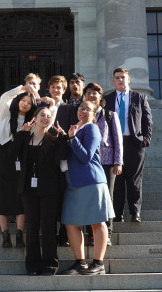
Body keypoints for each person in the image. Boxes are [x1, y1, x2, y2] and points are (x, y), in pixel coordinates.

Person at [60, 99, 115, 275]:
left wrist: (71, 139)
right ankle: (80, 263)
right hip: (73, 183)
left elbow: (85, 156)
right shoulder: (76, 129)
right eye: (81, 108)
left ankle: (98, 263)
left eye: (88, 109)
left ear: (94, 113)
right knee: (70, 223)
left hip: (91, 181)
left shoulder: (92, 128)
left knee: (97, 222)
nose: (83, 111)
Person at [11, 106, 65, 275]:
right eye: (42, 115)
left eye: (48, 116)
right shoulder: (25, 138)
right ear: (34, 117)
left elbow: (62, 159)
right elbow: (12, 153)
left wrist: (63, 137)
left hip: (49, 190)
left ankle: (50, 263)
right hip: (28, 189)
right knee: (32, 228)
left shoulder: (54, 139)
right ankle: (32, 264)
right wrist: (22, 133)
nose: (45, 118)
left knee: (48, 227)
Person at [104, 68, 153, 223]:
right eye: (117, 78)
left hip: (134, 143)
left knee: (134, 179)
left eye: (123, 77)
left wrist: (146, 138)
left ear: (129, 79)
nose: (120, 80)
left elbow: (147, 119)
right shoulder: (108, 99)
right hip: (114, 144)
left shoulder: (139, 97)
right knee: (117, 180)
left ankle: (135, 212)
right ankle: (117, 214)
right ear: (113, 81)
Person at [0, 92, 37, 248]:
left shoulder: (33, 121)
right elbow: (4, 98)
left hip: (22, 161)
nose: (25, 104)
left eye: (29, 103)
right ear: (18, 101)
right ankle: (5, 234)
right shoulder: (6, 115)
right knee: (1, 196)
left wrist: (25, 132)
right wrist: (24, 87)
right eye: (23, 101)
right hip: (4, 160)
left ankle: (19, 233)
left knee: (20, 196)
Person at [83, 82, 123, 247]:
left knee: (107, 197)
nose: (92, 95)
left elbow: (118, 139)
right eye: (89, 93)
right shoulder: (82, 115)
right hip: (87, 163)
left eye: (95, 93)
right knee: (89, 198)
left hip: (106, 162)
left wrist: (118, 161)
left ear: (101, 97)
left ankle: (107, 233)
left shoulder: (110, 115)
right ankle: (91, 233)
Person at [47, 75, 78, 247]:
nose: (56, 90)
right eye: (53, 87)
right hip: (45, 158)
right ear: (49, 89)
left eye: (59, 87)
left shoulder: (69, 109)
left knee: (64, 196)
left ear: (64, 89)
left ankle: (63, 233)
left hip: (63, 158)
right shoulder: (42, 107)